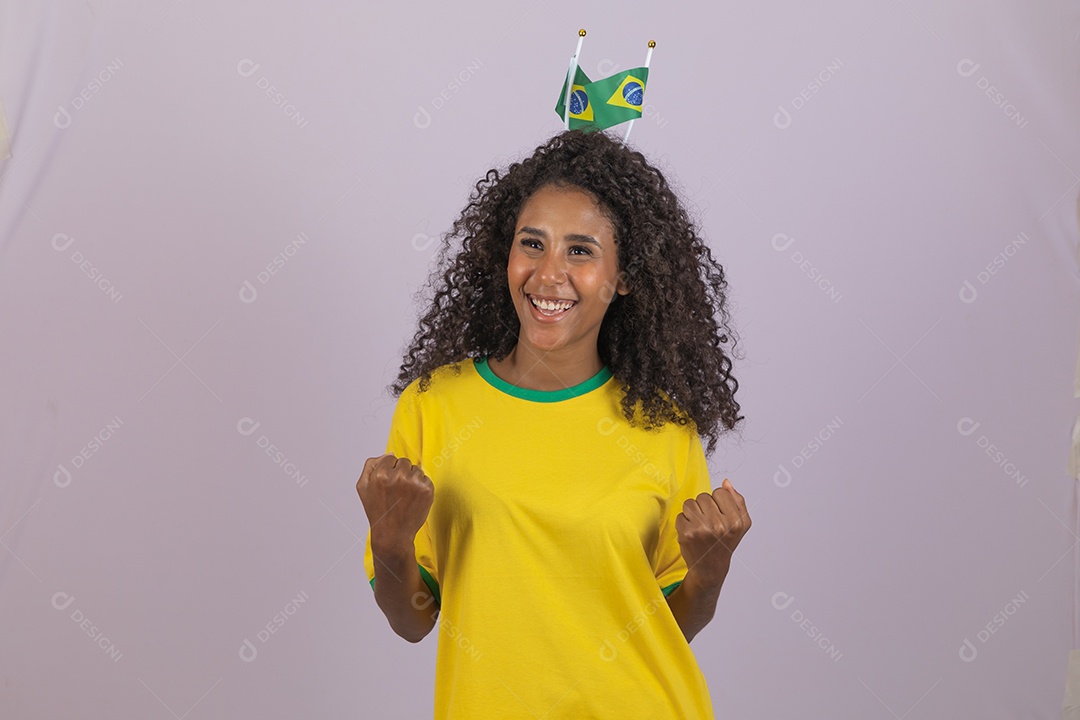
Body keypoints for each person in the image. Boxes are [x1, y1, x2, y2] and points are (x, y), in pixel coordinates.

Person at [357, 128, 750, 718]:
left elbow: (668, 626)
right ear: (504, 255)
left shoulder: (662, 426)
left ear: (625, 278)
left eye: (581, 251)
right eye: (532, 244)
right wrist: (389, 538)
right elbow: (412, 620)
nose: (548, 275)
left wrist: (712, 568)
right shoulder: (434, 405)